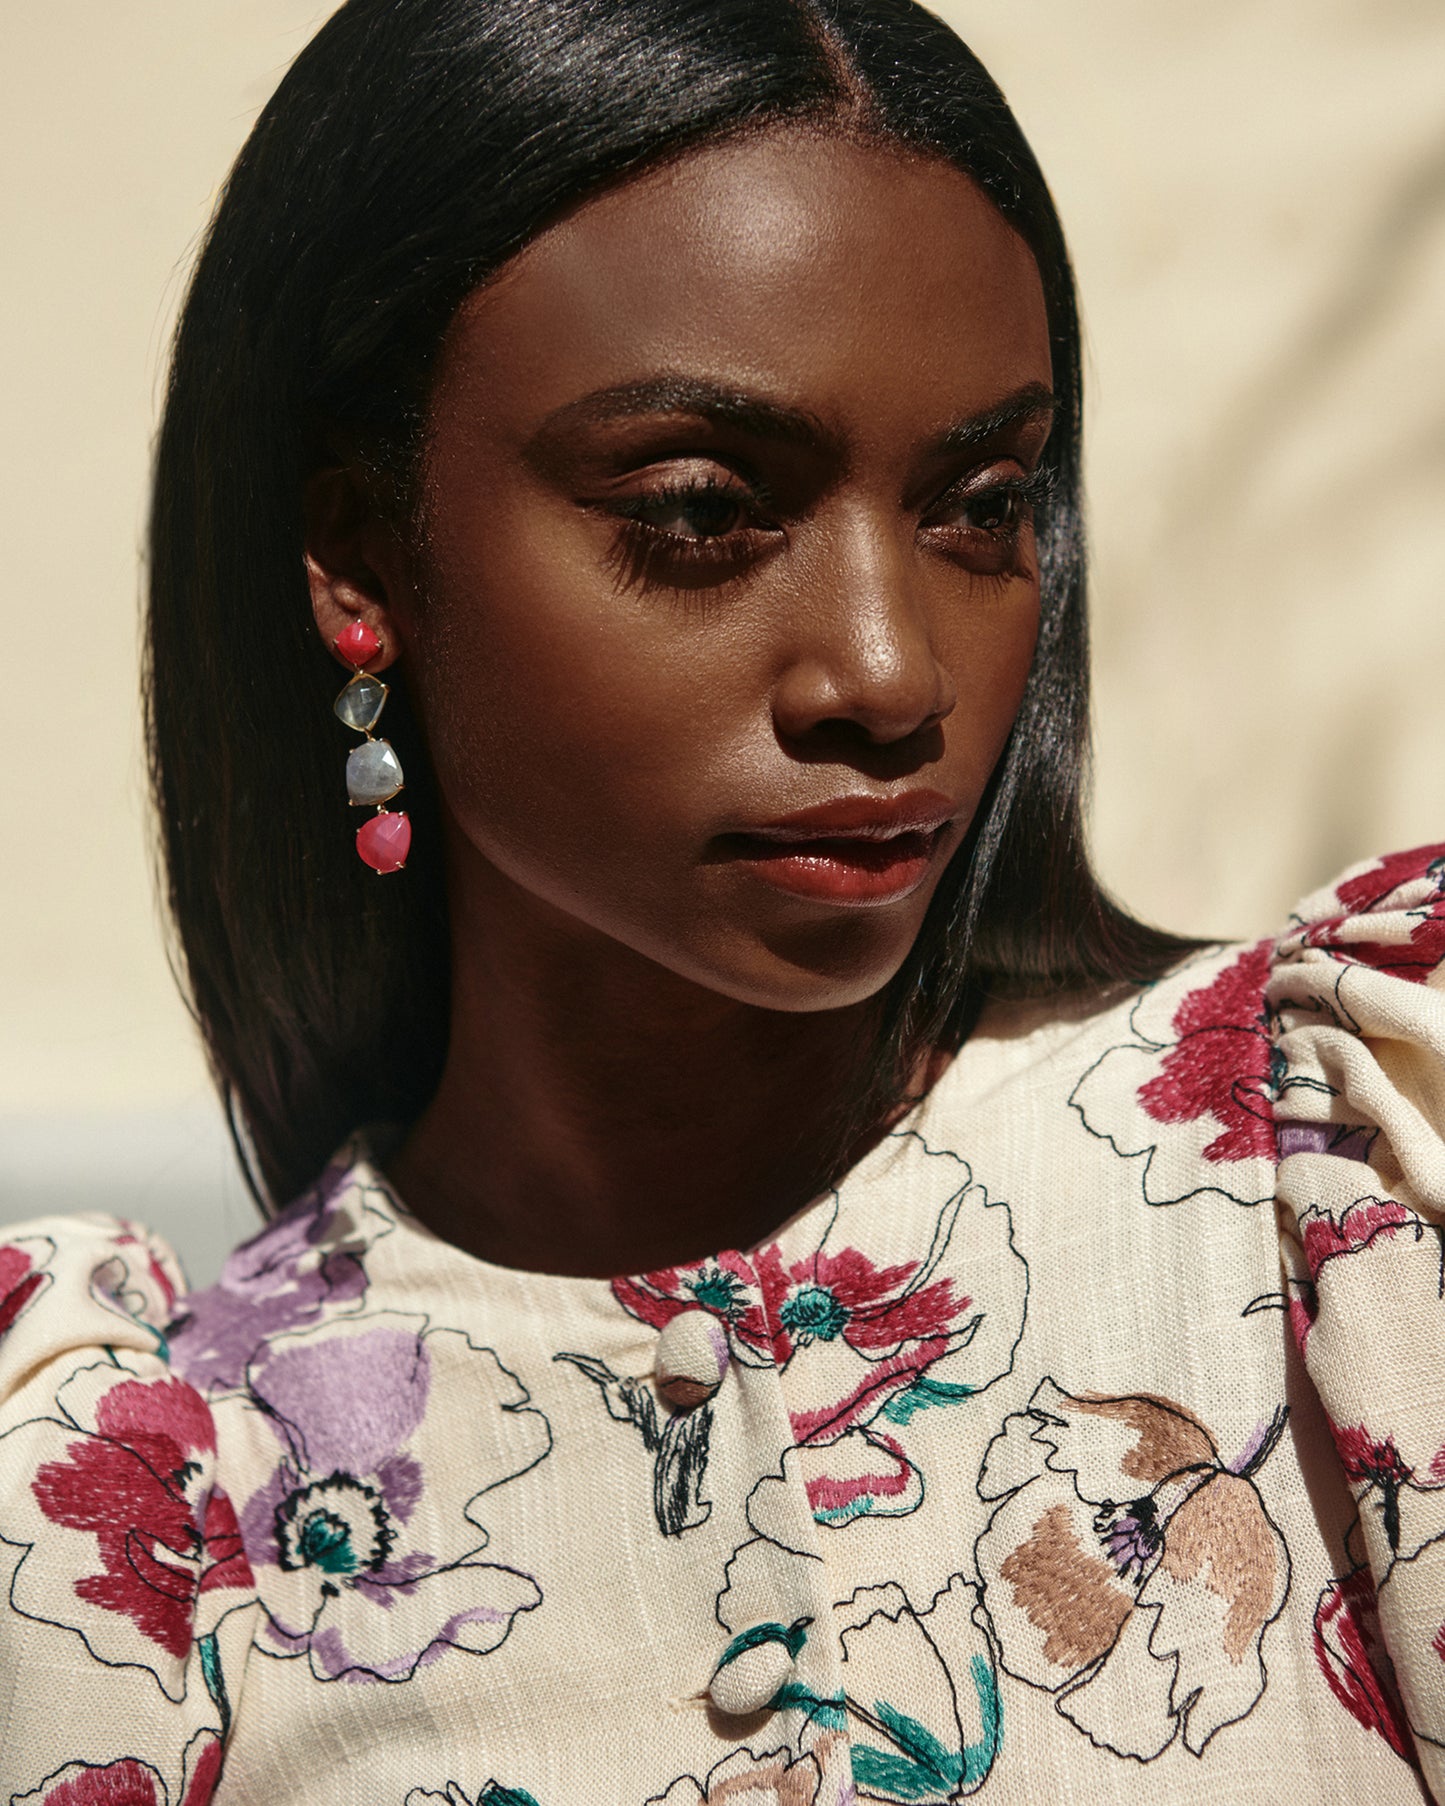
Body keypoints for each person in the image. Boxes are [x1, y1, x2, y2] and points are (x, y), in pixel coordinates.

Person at [1, 1, 1441, 1800]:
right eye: (701, 512)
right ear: (362, 562)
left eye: (981, 504)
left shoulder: (1351, 1183)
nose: (885, 665)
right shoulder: (147, 1553)